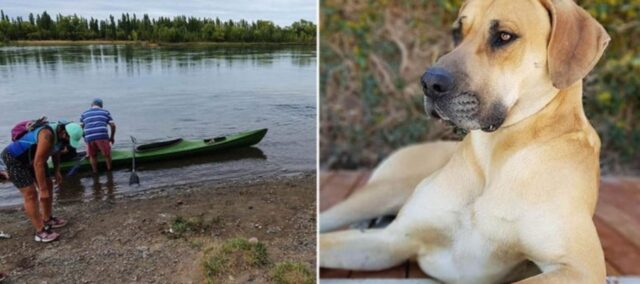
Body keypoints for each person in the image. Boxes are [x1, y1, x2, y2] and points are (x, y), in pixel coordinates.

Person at [1, 121, 83, 242]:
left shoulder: (60, 137)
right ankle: (40, 231)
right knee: (31, 194)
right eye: (67, 138)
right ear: (63, 131)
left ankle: (48, 219)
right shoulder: (46, 134)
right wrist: (42, 189)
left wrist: (56, 171)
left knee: (49, 184)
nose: (66, 142)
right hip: (15, 160)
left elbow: (55, 153)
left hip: (34, 158)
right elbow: (38, 163)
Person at [79, 98, 116, 174]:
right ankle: (109, 171)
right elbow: (113, 125)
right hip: (101, 136)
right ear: (101, 105)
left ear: (92, 105)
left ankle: (95, 172)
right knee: (107, 155)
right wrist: (112, 137)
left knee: (93, 156)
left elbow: (80, 128)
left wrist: (85, 137)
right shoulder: (105, 112)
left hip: (89, 137)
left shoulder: (84, 113)